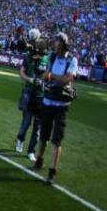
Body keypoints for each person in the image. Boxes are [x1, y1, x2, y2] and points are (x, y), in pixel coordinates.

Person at [32, 33, 77, 185]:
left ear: (63, 44)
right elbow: (46, 75)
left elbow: (68, 79)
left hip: (61, 106)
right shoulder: (51, 57)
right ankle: (39, 160)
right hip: (48, 100)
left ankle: (52, 171)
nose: (54, 45)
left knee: (57, 139)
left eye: (57, 42)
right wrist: (53, 77)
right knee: (44, 135)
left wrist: (52, 76)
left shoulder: (72, 60)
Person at [17, 29, 47, 160]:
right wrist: (29, 79)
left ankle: (31, 150)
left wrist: (43, 80)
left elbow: (49, 72)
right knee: (27, 120)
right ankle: (20, 139)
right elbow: (22, 72)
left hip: (41, 94)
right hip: (30, 91)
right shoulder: (28, 56)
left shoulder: (47, 57)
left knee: (38, 125)